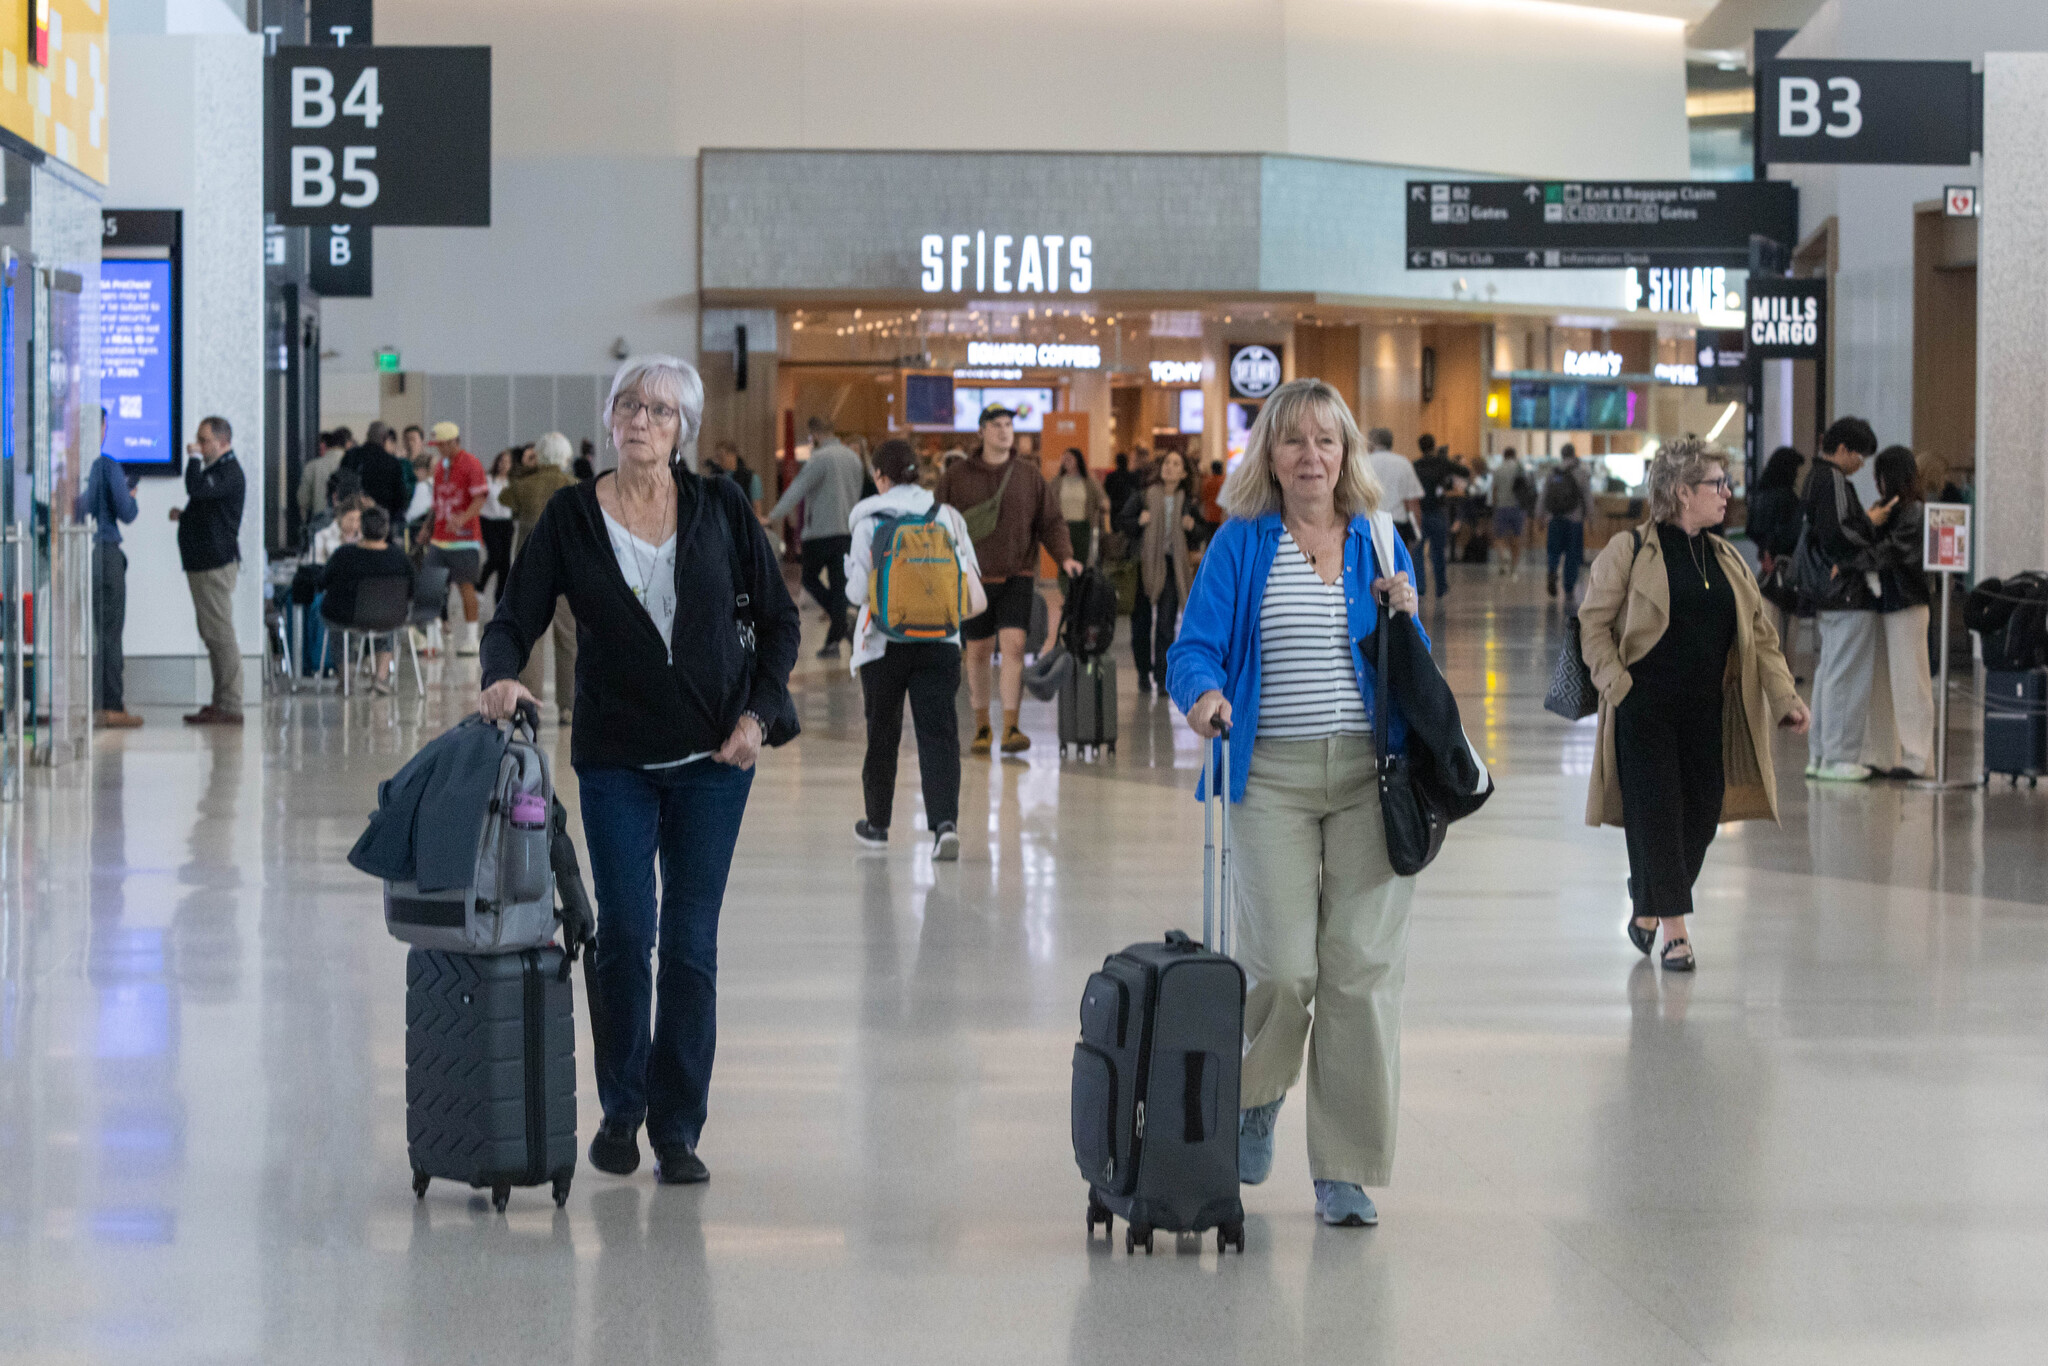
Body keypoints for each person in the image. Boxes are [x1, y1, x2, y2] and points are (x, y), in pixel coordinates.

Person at [479, 354, 800, 1187]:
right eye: (628, 405)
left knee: (690, 947)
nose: (640, 421)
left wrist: (758, 716)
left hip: (714, 761)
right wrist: (500, 674)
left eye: (659, 410)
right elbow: (516, 613)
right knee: (624, 935)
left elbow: (779, 621)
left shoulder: (720, 507)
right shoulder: (570, 517)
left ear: (683, 430)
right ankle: (621, 1108)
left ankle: (677, 1127)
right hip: (617, 755)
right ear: (609, 419)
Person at [1167, 377, 1423, 1230]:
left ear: (1347, 452)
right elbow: (1193, 647)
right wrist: (1204, 696)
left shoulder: (1382, 542)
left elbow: (1411, 669)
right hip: (1268, 775)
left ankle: (1344, 1170)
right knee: (1284, 966)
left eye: (1326, 441)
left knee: (1358, 971)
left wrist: (1408, 619)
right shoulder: (1242, 544)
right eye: (1294, 442)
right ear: (1268, 457)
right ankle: (1257, 1096)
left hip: (1369, 777)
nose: (1311, 457)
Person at [1578, 439, 1808, 972]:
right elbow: (1592, 623)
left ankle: (1649, 906)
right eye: (1716, 484)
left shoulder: (1725, 557)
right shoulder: (1630, 551)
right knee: (1658, 814)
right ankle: (1676, 933)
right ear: (1682, 492)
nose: (1728, 494)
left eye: (1727, 484)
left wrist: (1784, 698)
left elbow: (1760, 635)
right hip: (1644, 709)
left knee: (1702, 815)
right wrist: (1616, 684)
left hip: (1708, 709)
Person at [844, 438, 983, 859]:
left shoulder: (868, 522)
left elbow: (855, 593)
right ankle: (944, 825)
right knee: (938, 733)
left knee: (882, 732)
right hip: (941, 641)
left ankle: (878, 825)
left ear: (879, 477)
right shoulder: (947, 517)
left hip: (882, 644)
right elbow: (970, 585)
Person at [935, 403, 1082, 755]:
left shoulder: (1028, 475)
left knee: (1015, 647)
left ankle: (1012, 727)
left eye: (1008, 425)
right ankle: (983, 725)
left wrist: (1066, 557)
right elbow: (937, 522)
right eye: (996, 425)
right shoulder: (956, 476)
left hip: (1018, 574)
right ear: (981, 432)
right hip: (973, 576)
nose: (1004, 431)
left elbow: (1050, 522)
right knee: (979, 651)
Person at [1802, 416, 1888, 782]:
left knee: (1829, 673)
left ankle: (1821, 754)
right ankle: (1840, 756)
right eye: (1858, 455)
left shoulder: (1812, 479)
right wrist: (1870, 523)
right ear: (1841, 449)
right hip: (1847, 592)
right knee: (1846, 676)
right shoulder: (1834, 479)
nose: (1860, 464)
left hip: (1825, 593)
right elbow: (1840, 533)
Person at [765, 417, 867, 658]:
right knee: (839, 585)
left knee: (810, 579)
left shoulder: (820, 458)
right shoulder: (853, 458)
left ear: (816, 435)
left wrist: (772, 517)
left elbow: (798, 488)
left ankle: (840, 622)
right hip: (846, 531)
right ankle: (835, 638)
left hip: (820, 532)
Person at [169, 416, 246, 725]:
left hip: (215, 563)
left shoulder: (228, 472)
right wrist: (185, 517)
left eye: (204, 441)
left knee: (220, 634)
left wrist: (192, 460)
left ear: (223, 442)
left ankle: (231, 703)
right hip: (203, 561)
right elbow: (208, 508)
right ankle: (220, 701)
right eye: (198, 440)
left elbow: (197, 488)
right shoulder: (217, 471)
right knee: (211, 634)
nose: (197, 446)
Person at [502, 432, 581, 724]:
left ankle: (530, 698)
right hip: (566, 571)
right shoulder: (574, 486)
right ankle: (569, 706)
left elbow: (503, 496)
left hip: (529, 571)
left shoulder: (522, 487)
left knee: (531, 638)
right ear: (565, 457)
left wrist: (525, 466)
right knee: (569, 639)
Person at [1865, 446, 1934, 779]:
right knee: (1886, 683)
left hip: (1907, 603)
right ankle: (1887, 754)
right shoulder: (1890, 510)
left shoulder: (1913, 512)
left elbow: (1891, 554)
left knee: (1911, 682)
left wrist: (1862, 538)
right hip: (1889, 602)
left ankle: (1917, 756)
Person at [75, 408, 142, 728]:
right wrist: (131, 496)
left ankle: (98, 702)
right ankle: (113, 706)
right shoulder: (106, 466)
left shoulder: (74, 469)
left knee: (98, 633)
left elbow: (79, 508)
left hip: (83, 553)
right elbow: (126, 512)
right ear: (101, 428)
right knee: (112, 634)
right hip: (107, 552)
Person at [1119, 448, 1195, 693]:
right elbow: (1122, 522)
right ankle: (1143, 673)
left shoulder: (1187, 503)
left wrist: (1192, 527)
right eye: (1167, 463)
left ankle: (1163, 678)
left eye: (1176, 463)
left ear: (1183, 473)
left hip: (1172, 568)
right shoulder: (1144, 496)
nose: (1169, 467)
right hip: (1144, 566)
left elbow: (1202, 531)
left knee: (1165, 625)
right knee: (1140, 624)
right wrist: (1138, 521)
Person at [319, 506, 414, 695]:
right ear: (386, 529)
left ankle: (346, 675)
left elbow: (323, 581)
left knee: (334, 621)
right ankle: (380, 676)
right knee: (387, 621)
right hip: (390, 618)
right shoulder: (399, 558)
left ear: (361, 528)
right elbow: (411, 590)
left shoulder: (344, 555)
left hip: (349, 617)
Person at [424, 421, 490, 656]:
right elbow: (436, 503)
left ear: (454, 442)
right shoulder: (440, 467)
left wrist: (462, 519)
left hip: (464, 539)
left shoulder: (471, 464)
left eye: (441, 445)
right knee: (431, 587)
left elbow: (480, 498)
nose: (438, 449)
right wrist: (426, 528)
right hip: (439, 538)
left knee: (465, 587)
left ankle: (472, 638)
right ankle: (434, 639)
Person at [1539, 442, 1596, 600]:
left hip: (1554, 518)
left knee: (1553, 550)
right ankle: (1568, 587)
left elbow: (1544, 496)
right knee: (1573, 554)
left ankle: (1552, 570)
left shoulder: (1553, 472)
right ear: (1574, 453)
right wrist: (1591, 519)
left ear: (1562, 455)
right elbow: (1587, 498)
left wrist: (1540, 516)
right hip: (1574, 520)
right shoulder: (1581, 473)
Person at [1744, 446, 1806, 576]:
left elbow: (1751, 529)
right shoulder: (1786, 497)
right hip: (1783, 561)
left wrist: (1764, 549)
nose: (1797, 474)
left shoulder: (1759, 494)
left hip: (1764, 561)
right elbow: (1789, 531)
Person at [1052, 446, 1108, 588]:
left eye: (1070, 458)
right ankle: (1066, 594)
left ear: (1078, 460)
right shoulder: (1057, 482)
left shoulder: (1088, 482)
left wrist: (1103, 506)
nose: (1066, 461)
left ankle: (1079, 595)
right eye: (1064, 459)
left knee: (1081, 564)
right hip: (1062, 528)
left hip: (1083, 527)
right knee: (1064, 561)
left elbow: (1104, 501)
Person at [1413, 434, 1460, 600]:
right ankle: (1440, 586)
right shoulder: (1442, 463)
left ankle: (1419, 586)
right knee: (1438, 551)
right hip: (1437, 512)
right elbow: (1463, 471)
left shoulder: (1415, 465)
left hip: (1420, 512)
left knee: (1418, 551)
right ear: (1433, 446)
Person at [1364, 428, 1423, 556]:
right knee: (1397, 570)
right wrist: (1416, 533)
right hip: (1396, 526)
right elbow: (1413, 502)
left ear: (1371, 443)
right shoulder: (1403, 463)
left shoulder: (1363, 462)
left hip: (1367, 524)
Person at [342, 421, 411, 524]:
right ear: (385, 438)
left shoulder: (351, 456)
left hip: (354, 519)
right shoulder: (392, 462)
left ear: (367, 435)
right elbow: (400, 498)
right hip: (382, 521)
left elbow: (341, 484)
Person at [478, 448, 518, 605]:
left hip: (505, 523)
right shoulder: (489, 479)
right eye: (501, 461)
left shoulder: (512, 483)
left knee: (505, 563)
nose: (503, 465)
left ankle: (500, 600)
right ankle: (480, 584)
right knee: (495, 555)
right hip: (489, 521)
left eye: (507, 462)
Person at [298, 428, 349, 530]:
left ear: (327, 446)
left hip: (320, 524)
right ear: (346, 445)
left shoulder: (312, 466)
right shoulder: (352, 464)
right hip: (348, 525)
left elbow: (303, 499)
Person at [1489, 447, 1528, 577]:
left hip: (1502, 506)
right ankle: (1514, 567)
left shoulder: (1497, 470)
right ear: (1514, 455)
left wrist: (1494, 505)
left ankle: (1503, 556)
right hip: (1517, 507)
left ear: (1504, 456)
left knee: (1499, 537)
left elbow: (1494, 490)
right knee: (1517, 537)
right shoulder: (1520, 468)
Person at [709, 439, 764, 514]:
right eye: (717, 458)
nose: (718, 462)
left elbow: (756, 508)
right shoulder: (718, 478)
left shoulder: (751, 478)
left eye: (721, 457)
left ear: (732, 455)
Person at [1102, 451, 1136, 515]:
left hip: (1115, 507)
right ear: (1127, 462)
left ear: (1116, 462)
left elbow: (1106, 490)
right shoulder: (1132, 476)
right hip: (1129, 507)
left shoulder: (1111, 476)